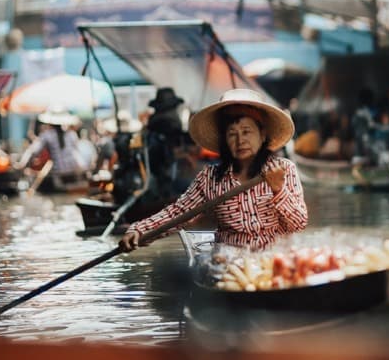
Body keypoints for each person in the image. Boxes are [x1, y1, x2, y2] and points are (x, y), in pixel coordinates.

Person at [119, 88, 308, 251]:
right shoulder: (210, 178)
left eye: (247, 131)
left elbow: (299, 224)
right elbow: (177, 214)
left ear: (263, 134)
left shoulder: (283, 170)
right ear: (224, 140)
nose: (240, 140)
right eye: (232, 134)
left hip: (274, 260)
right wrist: (139, 230)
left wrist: (278, 190)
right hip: (230, 262)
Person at [18, 110, 88, 180]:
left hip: (60, 174)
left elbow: (33, 151)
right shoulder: (72, 134)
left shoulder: (47, 135)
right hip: (76, 171)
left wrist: (22, 164)